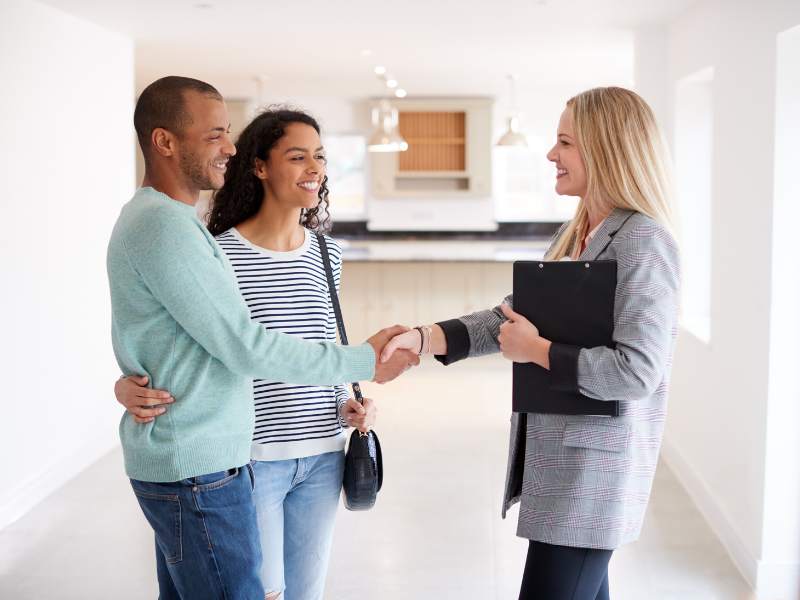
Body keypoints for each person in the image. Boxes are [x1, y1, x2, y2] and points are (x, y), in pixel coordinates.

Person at [108, 77, 418, 600]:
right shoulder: (183, 234)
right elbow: (242, 345)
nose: (228, 145)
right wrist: (361, 361)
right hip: (233, 458)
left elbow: (167, 333)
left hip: (308, 450)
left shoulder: (314, 252)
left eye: (319, 156)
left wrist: (348, 395)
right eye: (215, 135)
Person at [382, 86, 682, 600]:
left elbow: (637, 373)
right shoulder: (578, 234)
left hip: (592, 477)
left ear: (605, 149)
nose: (550, 155)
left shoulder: (643, 241)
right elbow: (508, 319)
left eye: (564, 142)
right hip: (562, 468)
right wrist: (425, 336)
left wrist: (538, 351)